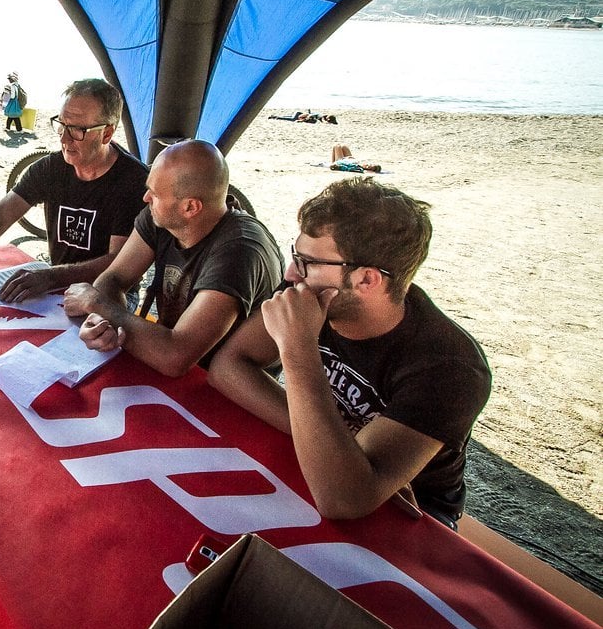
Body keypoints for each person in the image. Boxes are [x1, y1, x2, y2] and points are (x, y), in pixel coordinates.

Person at [208, 177, 491, 529]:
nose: (291, 272)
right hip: (325, 472)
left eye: (307, 261)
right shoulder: (311, 290)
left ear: (367, 280)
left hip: (412, 518)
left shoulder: (450, 369)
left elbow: (343, 499)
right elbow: (227, 366)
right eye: (295, 254)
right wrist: (334, 444)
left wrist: (297, 350)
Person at [0, 78, 148, 306]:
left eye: (77, 130)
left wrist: (51, 277)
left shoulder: (133, 181)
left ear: (107, 133)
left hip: (109, 291)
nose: (65, 139)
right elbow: (2, 214)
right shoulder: (50, 167)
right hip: (55, 283)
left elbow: (120, 263)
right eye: (61, 125)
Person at [63, 140, 282, 377]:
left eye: (155, 194)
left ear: (190, 207)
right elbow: (115, 277)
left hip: (230, 385)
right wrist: (106, 325)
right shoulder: (164, 215)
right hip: (178, 360)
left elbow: (175, 357)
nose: (146, 198)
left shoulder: (240, 252)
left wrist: (96, 304)